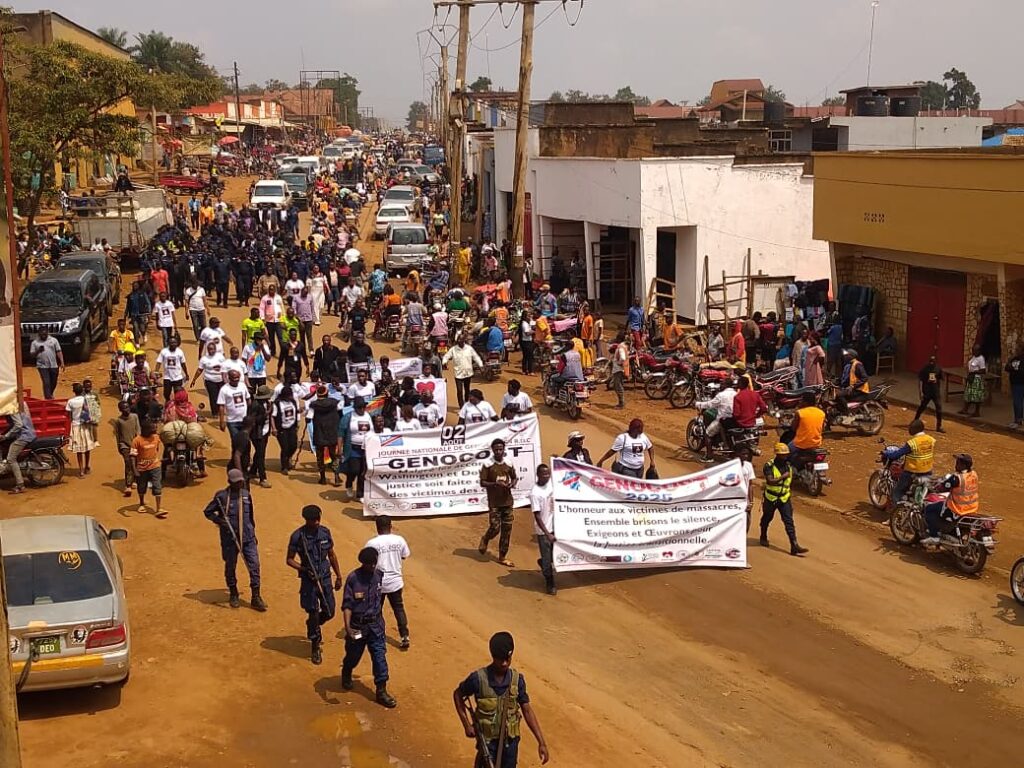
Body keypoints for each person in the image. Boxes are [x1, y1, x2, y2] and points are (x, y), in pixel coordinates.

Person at [453, 632, 550, 768]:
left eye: (507, 658)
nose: (504, 663)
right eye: (500, 659)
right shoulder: (478, 679)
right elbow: (458, 695)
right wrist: (466, 725)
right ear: (493, 657)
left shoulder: (517, 680)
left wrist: (542, 742)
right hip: (487, 744)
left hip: (510, 746)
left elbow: (527, 710)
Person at [341, 547, 398, 708]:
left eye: (374, 563)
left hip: (376, 627)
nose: (372, 567)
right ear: (363, 563)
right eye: (369, 564)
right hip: (358, 628)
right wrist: (348, 628)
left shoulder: (379, 575)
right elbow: (347, 605)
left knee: (379, 656)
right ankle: (347, 671)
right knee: (354, 655)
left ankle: (381, 691)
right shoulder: (353, 579)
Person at [203, 468, 267, 611]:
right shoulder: (222, 497)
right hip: (229, 539)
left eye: (240, 481)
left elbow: (250, 516)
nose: (239, 484)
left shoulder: (246, 495)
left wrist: (253, 534)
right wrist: (219, 521)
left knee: (254, 566)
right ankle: (233, 593)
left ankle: (256, 597)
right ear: (229, 482)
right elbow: (207, 512)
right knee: (230, 566)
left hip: (248, 538)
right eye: (236, 482)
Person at [286, 505, 342, 665]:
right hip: (309, 581)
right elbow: (289, 560)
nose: (316, 522)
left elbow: (331, 554)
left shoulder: (325, 532)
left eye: (318, 519)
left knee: (330, 611)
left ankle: (313, 624)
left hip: (325, 578)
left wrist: (338, 576)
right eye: (313, 520)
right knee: (313, 612)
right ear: (306, 520)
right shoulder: (297, 536)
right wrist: (303, 568)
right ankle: (315, 646)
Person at [365, 515, 412, 649]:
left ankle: (378, 634)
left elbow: (366, 561)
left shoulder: (372, 543)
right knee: (398, 608)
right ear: (390, 526)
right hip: (395, 582)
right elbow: (404, 556)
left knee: (376, 609)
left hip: (378, 583)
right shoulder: (399, 540)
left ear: (377, 527)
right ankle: (404, 636)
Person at [758, 443, 808, 556]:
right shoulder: (769, 466)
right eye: (782, 455)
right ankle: (763, 535)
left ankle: (794, 545)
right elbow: (770, 481)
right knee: (767, 518)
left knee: (789, 521)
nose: (785, 456)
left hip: (784, 498)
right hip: (771, 497)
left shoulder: (789, 465)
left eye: (786, 454)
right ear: (777, 454)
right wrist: (782, 477)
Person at [921, 453, 978, 547]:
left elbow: (942, 488)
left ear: (964, 465)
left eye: (958, 463)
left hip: (957, 509)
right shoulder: (973, 474)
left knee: (929, 509)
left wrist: (935, 486)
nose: (956, 465)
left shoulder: (956, 478)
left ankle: (934, 536)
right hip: (971, 508)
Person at [478, 439, 518, 567]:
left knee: (507, 530)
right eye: (496, 449)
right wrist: (495, 484)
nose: (499, 451)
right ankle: (485, 538)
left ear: (504, 449)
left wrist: (512, 483)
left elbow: (514, 477)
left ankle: (502, 557)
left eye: (501, 449)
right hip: (495, 503)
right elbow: (482, 482)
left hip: (507, 502)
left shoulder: (508, 463)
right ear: (493, 450)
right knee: (495, 527)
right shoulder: (488, 464)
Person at [883, 419, 935, 505]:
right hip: (928, 472)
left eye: (910, 428)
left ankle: (897, 512)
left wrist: (887, 453)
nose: (909, 429)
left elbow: (896, 455)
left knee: (897, 492)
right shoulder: (931, 440)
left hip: (913, 473)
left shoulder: (912, 443)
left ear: (915, 429)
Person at [130, 419, 165, 518]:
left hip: (155, 466)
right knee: (142, 487)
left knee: (157, 485)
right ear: (145, 429)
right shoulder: (136, 441)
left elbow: (157, 449)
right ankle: (141, 503)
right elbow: (132, 456)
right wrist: (134, 470)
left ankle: (158, 509)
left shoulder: (156, 437)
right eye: (152, 428)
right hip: (142, 468)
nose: (154, 430)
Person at [309, 385, 343, 486]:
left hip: (319, 433)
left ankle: (323, 478)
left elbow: (308, 418)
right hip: (332, 433)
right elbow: (340, 411)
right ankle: (336, 477)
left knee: (320, 457)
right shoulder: (334, 403)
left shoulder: (313, 405)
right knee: (334, 456)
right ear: (327, 393)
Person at [695, 381, 737, 461]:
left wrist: (698, 404)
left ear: (726, 385)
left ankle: (709, 456)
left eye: (722, 384)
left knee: (707, 434)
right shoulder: (736, 394)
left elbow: (710, 404)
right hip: (734, 420)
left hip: (723, 420)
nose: (720, 386)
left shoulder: (721, 395)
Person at [531, 464, 556, 596]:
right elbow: (537, 515)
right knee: (547, 560)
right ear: (538, 475)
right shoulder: (535, 493)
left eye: (548, 474)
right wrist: (547, 533)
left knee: (554, 556)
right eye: (544, 474)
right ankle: (549, 582)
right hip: (544, 531)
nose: (546, 476)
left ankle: (544, 563)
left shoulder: (552, 483)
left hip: (555, 528)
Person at [1, 402, 35, 495]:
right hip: (26, 432)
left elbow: (18, 425)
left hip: (23, 435)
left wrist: (6, 436)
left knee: (11, 458)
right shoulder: (18, 403)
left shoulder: (12, 407)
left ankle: (20, 485)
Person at [65, 382, 98, 478]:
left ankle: (81, 470)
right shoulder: (86, 400)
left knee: (79, 450)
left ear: (74, 391)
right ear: (82, 390)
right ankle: (87, 466)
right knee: (87, 447)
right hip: (86, 425)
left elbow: (69, 416)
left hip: (76, 426)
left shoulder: (70, 401)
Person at [344, 396, 373, 500]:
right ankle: (349, 482)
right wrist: (339, 446)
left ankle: (360, 493)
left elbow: (372, 431)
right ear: (355, 408)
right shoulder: (349, 417)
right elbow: (341, 431)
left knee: (363, 472)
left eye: (363, 407)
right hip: (353, 448)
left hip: (366, 449)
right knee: (354, 470)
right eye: (359, 407)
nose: (361, 409)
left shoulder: (368, 416)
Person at [443, 334, 483, 407]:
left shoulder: (469, 349)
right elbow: (446, 356)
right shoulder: (453, 349)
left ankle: (467, 405)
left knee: (467, 390)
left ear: (464, 340)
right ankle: (461, 407)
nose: (459, 341)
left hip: (468, 373)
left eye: (460, 339)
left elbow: (476, 357)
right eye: (458, 339)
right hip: (458, 374)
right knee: (459, 391)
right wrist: (444, 362)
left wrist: (481, 365)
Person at [272, 384, 301, 475]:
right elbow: (272, 416)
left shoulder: (293, 402)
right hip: (281, 428)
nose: (291, 397)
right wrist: (274, 428)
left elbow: (295, 411)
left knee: (293, 445)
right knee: (285, 447)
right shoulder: (277, 403)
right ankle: (284, 466)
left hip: (292, 427)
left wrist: (300, 412)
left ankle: (288, 458)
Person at [913, 355, 945, 433]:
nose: (931, 363)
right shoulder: (925, 369)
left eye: (933, 362)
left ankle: (939, 426)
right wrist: (920, 392)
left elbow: (942, 378)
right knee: (922, 407)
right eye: (930, 361)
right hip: (927, 392)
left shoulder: (938, 368)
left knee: (939, 409)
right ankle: (915, 421)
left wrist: (936, 380)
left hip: (935, 392)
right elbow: (920, 380)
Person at [789, 391, 826, 458]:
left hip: (800, 444)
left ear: (806, 402)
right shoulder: (821, 413)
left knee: (786, 452)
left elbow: (793, 428)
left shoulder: (800, 413)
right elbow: (822, 428)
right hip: (816, 444)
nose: (799, 402)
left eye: (801, 400)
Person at [217, 369, 251, 440]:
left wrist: (249, 415)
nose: (236, 380)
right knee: (236, 441)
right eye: (234, 378)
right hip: (232, 421)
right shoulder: (224, 389)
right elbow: (221, 406)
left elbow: (248, 399)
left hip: (244, 420)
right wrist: (222, 422)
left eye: (237, 378)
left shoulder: (242, 386)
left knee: (246, 441)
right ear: (229, 378)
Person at [29, 330, 64, 399]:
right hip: (42, 366)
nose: (43, 336)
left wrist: (62, 362)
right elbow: (32, 355)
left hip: (53, 365)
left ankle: (49, 394)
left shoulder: (54, 340)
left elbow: (58, 351)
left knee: (54, 382)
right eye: (42, 335)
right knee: (46, 382)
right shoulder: (35, 343)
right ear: (39, 334)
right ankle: (48, 398)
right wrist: (38, 351)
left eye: (45, 334)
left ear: (47, 333)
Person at [155, 336, 188, 401]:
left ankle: (177, 407)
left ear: (177, 343)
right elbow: (159, 362)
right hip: (167, 377)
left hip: (178, 377)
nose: (173, 344)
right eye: (171, 342)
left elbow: (183, 364)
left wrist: (186, 374)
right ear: (168, 343)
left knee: (178, 394)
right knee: (166, 394)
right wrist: (156, 372)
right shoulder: (164, 351)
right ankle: (168, 404)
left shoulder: (180, 352)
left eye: (174, 342)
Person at [958, 345, 985, 418]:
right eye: (973, 350)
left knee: (976, 396)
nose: (974, 352)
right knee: (968, 394)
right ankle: (965, 409)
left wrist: (975, 372)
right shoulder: (973, 357)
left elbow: (983, 370)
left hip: (976, 379)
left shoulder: (981, 359)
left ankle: (977, 412)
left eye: (976, 351)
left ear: (979, 351)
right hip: (970, 377)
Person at [1006, 343, 1024, 429]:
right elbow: (1006, 368)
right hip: (1014, 383)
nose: (1016, 351)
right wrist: (1010, 361)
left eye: (1018, 350)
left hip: (1020, 383)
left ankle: (1018, 421)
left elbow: (1021, 372)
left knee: (1018, 402)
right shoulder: (1014, 359)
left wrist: (1013, 369)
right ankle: (1017, 419)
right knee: (1016, 402)